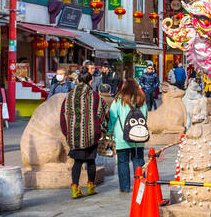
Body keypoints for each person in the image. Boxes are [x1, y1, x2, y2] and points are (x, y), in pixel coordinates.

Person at [60, 70, 105, 199]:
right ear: (90, 81)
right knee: (91, 161)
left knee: (77, 162)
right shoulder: (94, 96)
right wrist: (102, 129)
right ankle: (90, 187)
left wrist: (67, 132)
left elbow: (63, 115)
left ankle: (75, 188)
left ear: (78, 81)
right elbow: (102, 113)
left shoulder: (69, 96)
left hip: (74, 135)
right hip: (91, 134)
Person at [106, 80, 146, 193]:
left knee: (123, 162)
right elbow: (145, 116)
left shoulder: (119, 100)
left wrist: (109, 131)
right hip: (138, 138)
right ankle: (141, 186)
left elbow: (112, 117)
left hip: (121, 137)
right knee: (139, 161)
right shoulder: (141, 99)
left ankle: (125, 188)